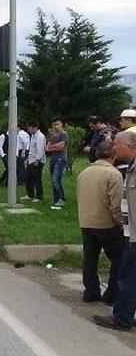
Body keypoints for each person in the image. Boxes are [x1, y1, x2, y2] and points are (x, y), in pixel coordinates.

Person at [93, 132, 136, 331]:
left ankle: (122, 319)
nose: (114, 149)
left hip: (134, 236)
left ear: (130, 146)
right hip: (130, 232)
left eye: (117, 144)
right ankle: (125, 315)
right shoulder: (130, 167)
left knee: (127, 278)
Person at [76, 140, 126, 304]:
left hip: (86, 221)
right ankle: (112, 294)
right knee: (119, 258)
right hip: (106, 224)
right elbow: (116, 204)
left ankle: (91, 291)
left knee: (90, 258)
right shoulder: (114, 174)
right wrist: (120, 223)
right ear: (114, 155)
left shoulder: (84, 173)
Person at [45, 118, 68, 208]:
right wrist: (52, 147)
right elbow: (47, 147)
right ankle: (56, 199)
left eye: (57, 124)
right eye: (54, 124)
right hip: (53, 159)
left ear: (61, 124)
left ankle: (61, 199)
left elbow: (61, 147)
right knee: (53, 179)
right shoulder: (53, 134)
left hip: (60, 159)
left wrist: (51, 148)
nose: (56, 126)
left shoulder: (64, 134)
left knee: (56, 179)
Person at [23, 121, 46, 202]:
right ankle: (30, 195)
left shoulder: (40, 136)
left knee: (37, 179)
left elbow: (41, 149)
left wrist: (38, 159)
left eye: (29, 128)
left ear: (35, 128)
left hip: (37, 160)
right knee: (28, 178)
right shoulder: (33, 136)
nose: (28, 130)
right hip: (31, 160)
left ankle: (39, 196)